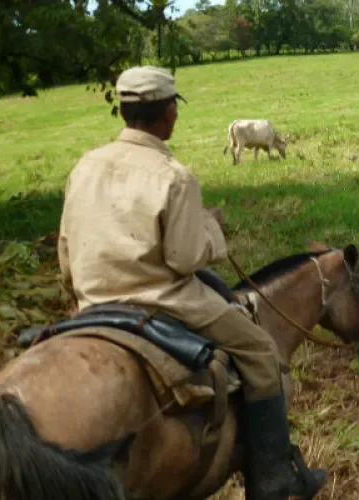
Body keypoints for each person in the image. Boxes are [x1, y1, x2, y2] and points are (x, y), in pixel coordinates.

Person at [55, 65, 326, 499]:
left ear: (124, 112)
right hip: (165, 301)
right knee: (260, 351)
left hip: (93, 303)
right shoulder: (174, 177)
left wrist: (84, 294)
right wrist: (211, 228)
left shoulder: (85, 166)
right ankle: (274, 475)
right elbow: (183, 258)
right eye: (173, 110)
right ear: (168, 113)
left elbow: (67, 252)